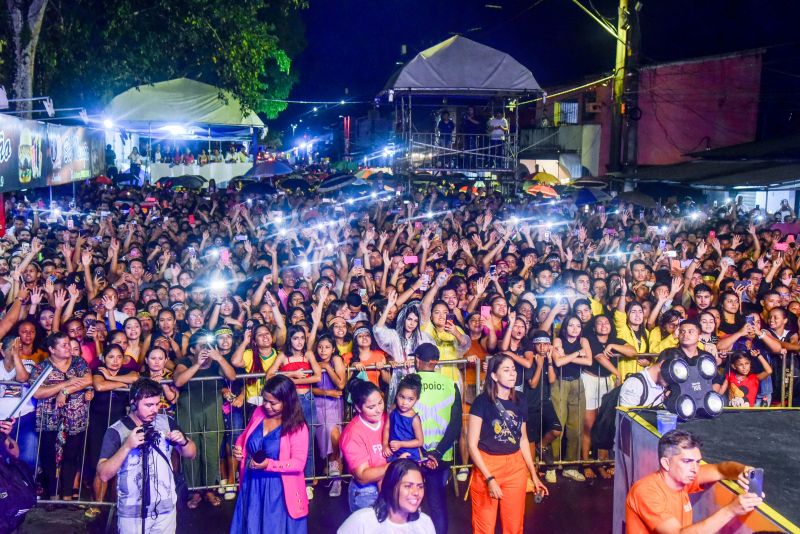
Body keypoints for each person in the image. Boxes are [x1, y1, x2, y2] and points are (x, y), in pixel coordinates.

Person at [97, 378, 196, 534]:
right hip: (132, 514)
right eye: (148, 405)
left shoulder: (166, 422)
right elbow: (103, 474)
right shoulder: (116, 431)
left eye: (157, 404)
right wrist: (127, 446)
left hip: (166, 509)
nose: (155, 410)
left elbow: (191, 454)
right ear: (134, 403)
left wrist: (183, 442)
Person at [467, 354, 548, 534]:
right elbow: (472, 445)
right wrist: (489, 478)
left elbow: (523, 439)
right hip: (487, 466)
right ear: (494, 376)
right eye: (506, 370)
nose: (513, 374)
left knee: (514, 526)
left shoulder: (520, 400)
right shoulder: (481, 402)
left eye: (513, 369)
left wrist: (533, 475)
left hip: (515, 467)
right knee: (484, 527)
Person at [625, 429, 763, 533]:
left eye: (697, 462)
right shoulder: (646, 491)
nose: (695, 469)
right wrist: (731, 510)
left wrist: (743, 471)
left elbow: (721, 469)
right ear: (666, 463)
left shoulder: (683, 477)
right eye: (687, 461)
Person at [230, 375, 309, 534]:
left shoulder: (298, 427)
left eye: (273, 403)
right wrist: (239, 447)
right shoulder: (259, 412)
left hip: (279, 489)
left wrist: (270, 465)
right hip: (253, 483)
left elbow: (298, 463)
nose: (267, 406)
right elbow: (246, 436)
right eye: (264, 400)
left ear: (287, 401)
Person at [413, 343, 462, 534]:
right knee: (438, 505)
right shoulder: (451, 385)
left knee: (410, 503)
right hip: (441, 457)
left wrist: (423, 453)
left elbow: (401, 419)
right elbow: (456, 423)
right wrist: (438, 452)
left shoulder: (409, 381)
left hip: (415, 454)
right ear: (436, 363)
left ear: (417, 360)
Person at [336, 458, 436, 534]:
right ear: (391, 486)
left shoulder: (425, 523)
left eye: (420, 486)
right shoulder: (361, 521)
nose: (416, 492)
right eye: (408, 486)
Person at [340, 379, 388, 512]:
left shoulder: (387, 419)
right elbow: (362, 476)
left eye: (380, 403)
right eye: (371, 407)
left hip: (390, 486)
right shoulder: (352, 434)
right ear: (357, 407)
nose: (378, 410)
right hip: (366, 493)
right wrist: (395, 466)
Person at [382, 373, 423, 462]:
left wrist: (400, 444)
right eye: (402, 397)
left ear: (417, 400)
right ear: (397, 395)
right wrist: (385, 445)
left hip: (410, 457)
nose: (404, 402)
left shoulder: (414, 419)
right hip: (393, 454)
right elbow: (387, 428)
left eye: (410, 399)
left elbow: (419, 441)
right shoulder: (392, 409)